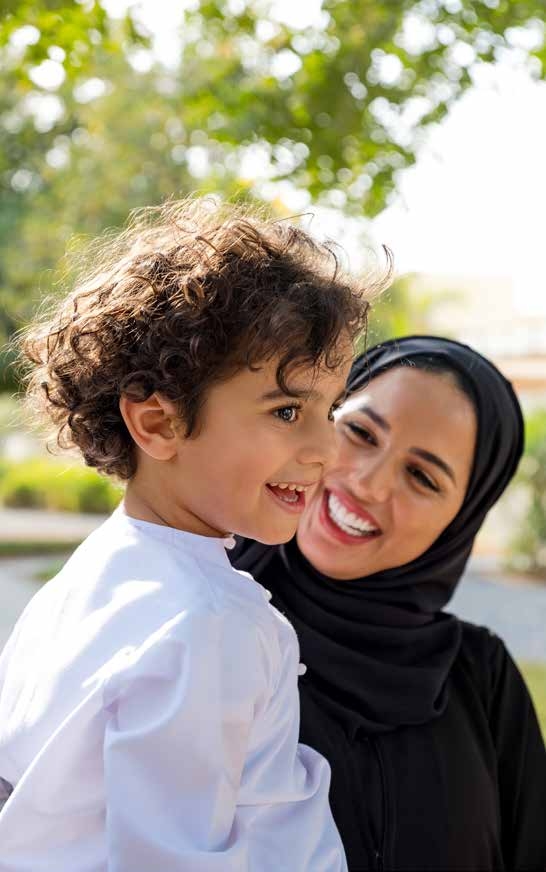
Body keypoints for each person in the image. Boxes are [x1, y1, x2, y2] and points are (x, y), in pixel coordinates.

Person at [0, 198, 387, 871]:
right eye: (288, 409)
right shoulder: (211, 622)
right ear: (158, 424)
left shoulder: (91, 578)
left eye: (331, 410)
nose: (326, 448)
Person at [232, 335, 546, 872]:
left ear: (460, 521)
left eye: (422, 476)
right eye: (359, 432)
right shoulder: (206, 624)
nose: (369, 483)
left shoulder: (481, 678)